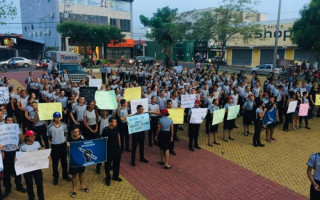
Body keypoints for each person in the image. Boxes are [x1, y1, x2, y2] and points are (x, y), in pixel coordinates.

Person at [2, 116, 26, 198]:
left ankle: (19, 185)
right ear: (5, 122)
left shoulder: (17, 129)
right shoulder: (1, 130)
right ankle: (7, 188)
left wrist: (20, 137)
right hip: (6, 152)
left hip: (16, 151)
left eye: (11, 120)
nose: (10, 121)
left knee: (18, 170)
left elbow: (21, 142)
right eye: (8, 120)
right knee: (7, 172)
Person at [19, 130, 45, 200]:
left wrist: (45, 157)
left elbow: (39, 153)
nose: (33, 137)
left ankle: (41, 197)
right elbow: (20, 158)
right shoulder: (22, 147)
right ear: (27, 137)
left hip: (37, 167)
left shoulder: (37, 143)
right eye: (31, 136)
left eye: (34, 135)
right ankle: (31, 197)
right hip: (27, 169)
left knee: (39, 183)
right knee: (29, 184)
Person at [47, 112, 71, 185]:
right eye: (56, 117)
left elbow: (66, 133)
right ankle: (56, 177)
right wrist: (53, 142)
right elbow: (49, 136)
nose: (57, 119)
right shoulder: (50, 126)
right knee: (55, 163)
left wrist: (65, 142)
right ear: (53, 118)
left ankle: (65, 175)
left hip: (62, 145)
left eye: (59, 117)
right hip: (54, 146)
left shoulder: (64, 125)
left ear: (61, 117)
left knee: (64, 162)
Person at [67, 127, 89, 198]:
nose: (76, 133)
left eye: (77, 132)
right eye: (75, 132)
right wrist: (67, 147)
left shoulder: (82, 139)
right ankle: (74, 189)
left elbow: (87, 148)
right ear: (72, 133)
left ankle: (83, 186)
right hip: (73, 160)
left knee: (81, 173)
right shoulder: (69, 140)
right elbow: (67, 152)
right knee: (74, 175)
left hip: (81, 160)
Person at [102, 117, 122, 186]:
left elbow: (118, 136)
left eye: (116, 122)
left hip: (117, 149)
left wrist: (119, 146)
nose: (115, 123)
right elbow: (103, 140)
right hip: (108, 150)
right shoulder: (105, 130)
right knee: (107, 165)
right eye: (114, 122)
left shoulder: (116, 128)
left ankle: (115, 176)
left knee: (116, 163)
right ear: (110, 123)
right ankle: (107, 178)